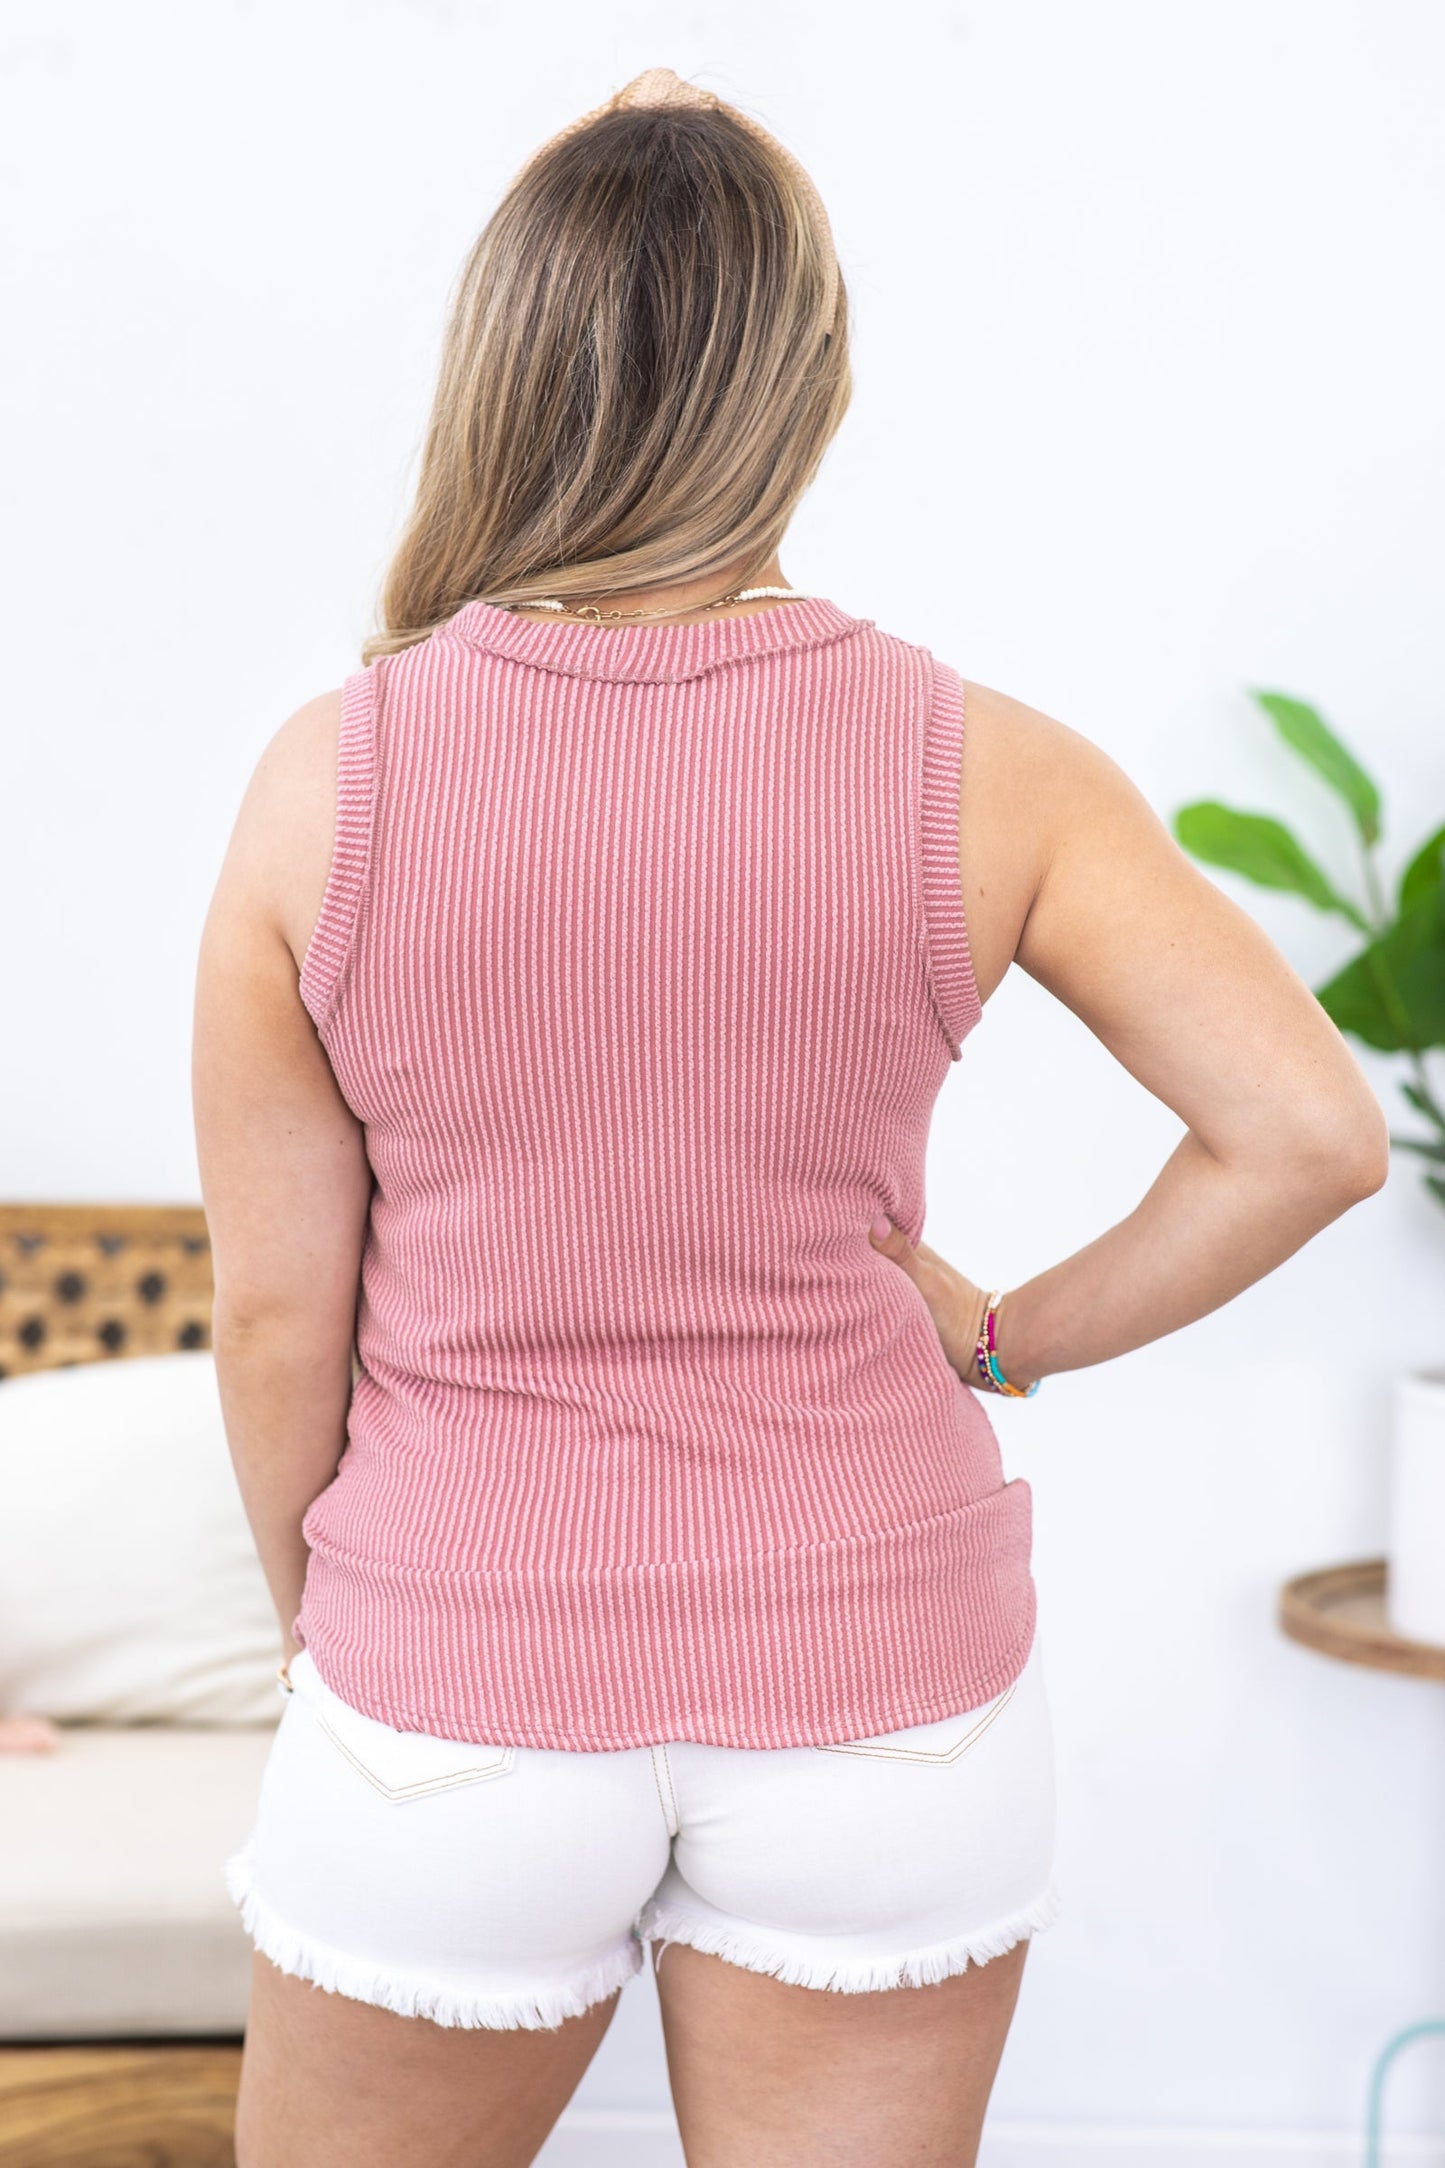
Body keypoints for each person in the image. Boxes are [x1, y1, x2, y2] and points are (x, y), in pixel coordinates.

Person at [191, 66, 1388, 2168]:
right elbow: (1307, 1131)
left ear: (498, 366)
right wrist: (1005, 1332)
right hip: (881, 1697)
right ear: (811, 389)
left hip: (455, 1689)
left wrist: (349, 1634)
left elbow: (282, 1322)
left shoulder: (330, 779)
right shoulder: (985, 762)